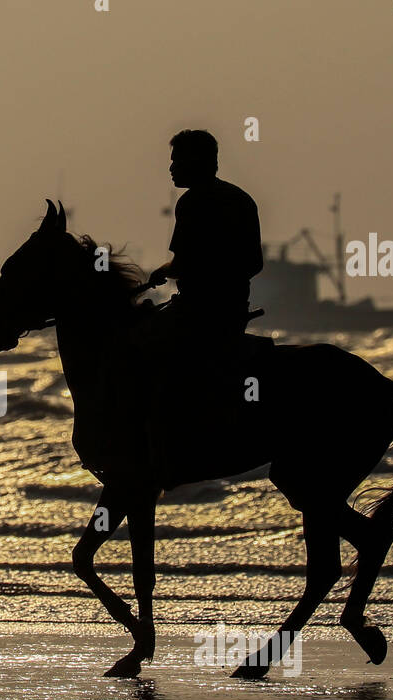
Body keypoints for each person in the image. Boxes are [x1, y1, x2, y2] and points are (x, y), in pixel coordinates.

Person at [143, 129, 264, 465]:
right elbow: (255, 263)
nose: (171, 168)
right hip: (233, 309)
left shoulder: (193, 202)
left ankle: (159, 442)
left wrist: (161, 272)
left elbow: (183, 262)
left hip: (198, 312)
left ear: (197, 161)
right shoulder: (242, 199)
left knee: (143, 349)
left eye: (176, 160)